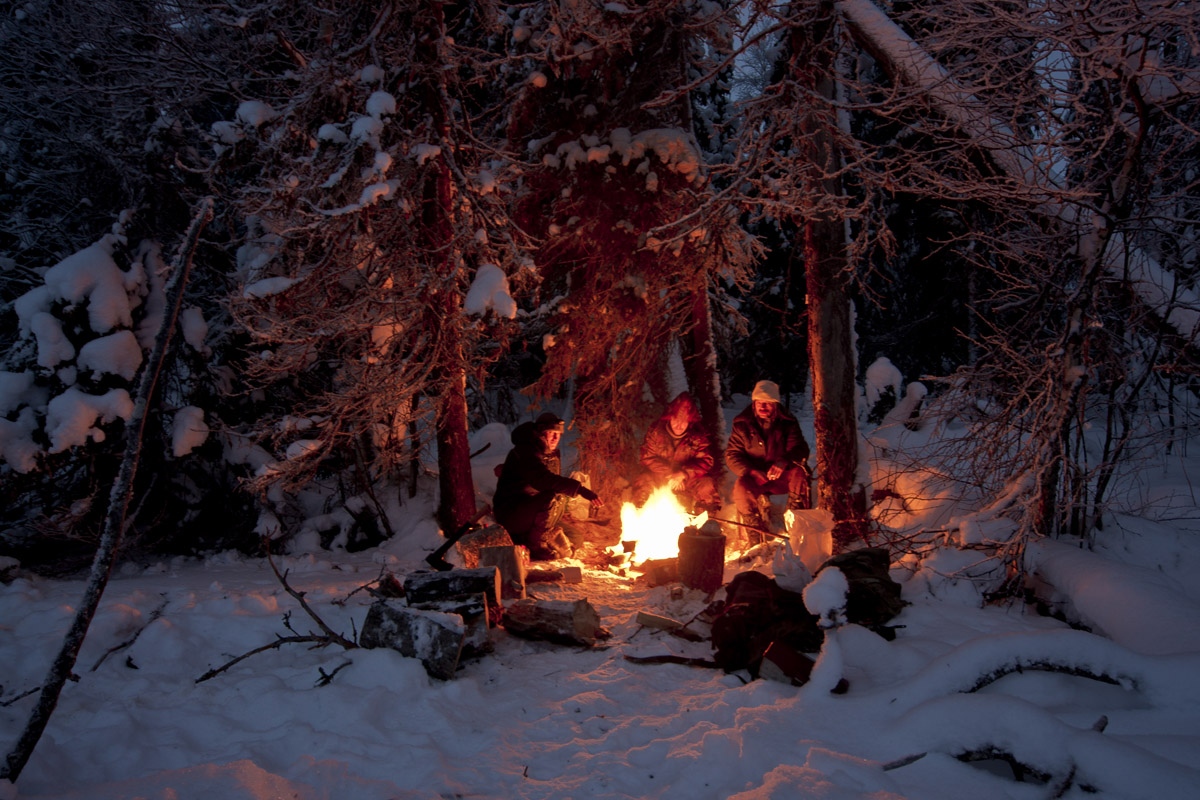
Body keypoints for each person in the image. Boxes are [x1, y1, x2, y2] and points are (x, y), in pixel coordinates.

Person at [493, 412, 603, 560]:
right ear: (540, 432)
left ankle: (546, 544)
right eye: (551, 433)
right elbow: (543, 480)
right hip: (512, 513)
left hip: (531, 513)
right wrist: (580, 490)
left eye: (558, 434)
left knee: (575, 537)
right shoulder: (525, 451)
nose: (555, 438)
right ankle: (535, 545)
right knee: (551, 496)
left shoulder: (547, 454)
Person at [724, 380, 811, 542]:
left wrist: (783, 462)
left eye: (768, 403)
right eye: (760, 403)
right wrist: (750, 471)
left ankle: (798, 522)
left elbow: (800, 449)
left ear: (776, 405)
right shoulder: (742, 424)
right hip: (757, 477)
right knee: (741, 487)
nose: (763, 407)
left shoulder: (788, 423)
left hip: (782, 476)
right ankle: (755, 533)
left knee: (800, 473)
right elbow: (732, 455)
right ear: (754, 404)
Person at [634, 392, 722, 514]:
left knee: (706, 485)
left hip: (688, 480)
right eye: (676, 419)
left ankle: (706, 522)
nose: (679, 425)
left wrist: (684, 473)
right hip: (661, 477)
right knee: (643, 481)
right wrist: (670, 473)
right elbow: (647, 458)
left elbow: (706, 461)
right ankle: (641, 515)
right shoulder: (656, 432)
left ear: (690, 421)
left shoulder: (698, 436)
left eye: (684, 421)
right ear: (670, 417)